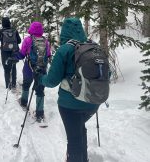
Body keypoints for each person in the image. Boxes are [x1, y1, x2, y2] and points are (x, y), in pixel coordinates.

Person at [38, 17, 99, 162]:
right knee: (79, 131)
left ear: (64, 32)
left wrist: (41, 78)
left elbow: (52, 81)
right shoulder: (94, 47)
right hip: (93, 102)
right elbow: (106, 74)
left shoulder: (65, 49)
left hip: (70, 105)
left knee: (74, 140)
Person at [17, 21, 51, 122]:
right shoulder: (45, 41)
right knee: (40, 90)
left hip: (29, 67)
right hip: (42, 69)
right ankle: (40, 113)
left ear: (31, 29)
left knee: (26, 84)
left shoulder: (27, 40)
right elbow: (48, 55)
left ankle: (24, 102)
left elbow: (22, 54)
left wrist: (15, 55)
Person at [0, 17, 21, 89]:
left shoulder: (0, 31)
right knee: (13, 66)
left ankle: (8, 85)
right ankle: (14, 84)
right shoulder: (14, 30)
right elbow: (19, 41)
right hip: (14, 51)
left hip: (4, 52)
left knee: (6, 68)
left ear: (2, 24)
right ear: (9, 22)